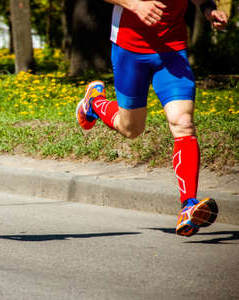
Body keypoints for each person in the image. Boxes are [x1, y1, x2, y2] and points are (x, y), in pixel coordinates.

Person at [76, 0, 228, 237]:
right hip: (130, 49)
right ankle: (95, 103)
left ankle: (188, 205)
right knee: (131, 129)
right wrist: (134, 4)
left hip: (172, 51)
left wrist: (209, 10)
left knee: (183, 122)